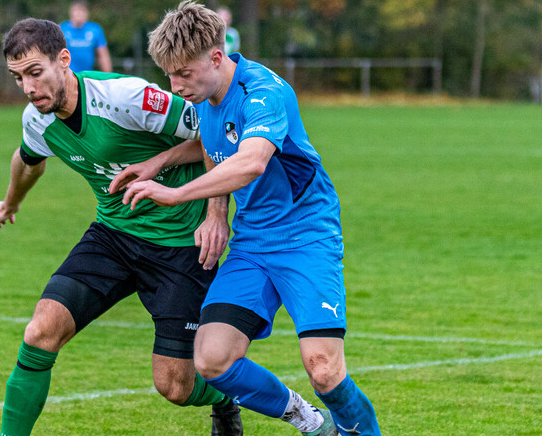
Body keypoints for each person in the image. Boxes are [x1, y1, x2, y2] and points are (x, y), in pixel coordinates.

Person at [115, 2, 382, 435]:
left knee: (324, 370)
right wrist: (191, 188)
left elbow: (252, 160)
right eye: (168, 75)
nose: (175, 86)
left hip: (306, 235)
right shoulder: (205, 96)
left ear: (216, 58)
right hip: (252, 241)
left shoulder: (263, 92)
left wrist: (177, 193)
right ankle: (310, 422)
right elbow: (212, 142)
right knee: (211, 359)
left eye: (183, 73)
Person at [0, 18, 242, 436]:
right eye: (17, 78)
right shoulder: (37, 120)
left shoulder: (126, 98)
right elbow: (27, 161)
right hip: (113, 236)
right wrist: (10, 204)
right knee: (40, 332)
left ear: (64, 60)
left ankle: (225, 399)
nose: (28, 87)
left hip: (179, 243)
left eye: (35, 72)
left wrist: (215, 214)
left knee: (175, 386)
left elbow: (214, 133)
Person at [60, 1, 112, 73]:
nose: (78, 14)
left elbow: (103, 56)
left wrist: (108, 76)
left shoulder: (95, 29)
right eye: (76, 10)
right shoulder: (62, 29)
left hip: (87, 75)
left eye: (81, 11)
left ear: (86, 13)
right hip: (67, 74)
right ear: (70, 12)